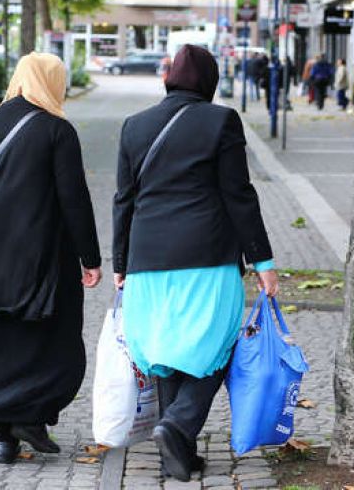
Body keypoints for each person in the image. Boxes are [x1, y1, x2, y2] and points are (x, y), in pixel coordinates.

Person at [113, 45, 277, 482]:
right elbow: (238, 194)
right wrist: (262, 259)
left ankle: (178, 454)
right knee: (218, 346)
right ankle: (178, 425)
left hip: (147, 257)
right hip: (207, 256)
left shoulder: (134, 125)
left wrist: (120, 261)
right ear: (210, 81)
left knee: (166, 350)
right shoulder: (221, 121)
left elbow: (123, 200)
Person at [0, 53, 102, 465]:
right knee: (41, 339)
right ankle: (29, 416)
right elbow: (74, 200)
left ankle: (4, 440)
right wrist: (90, 257)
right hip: (39, 257)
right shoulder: (56, 130)